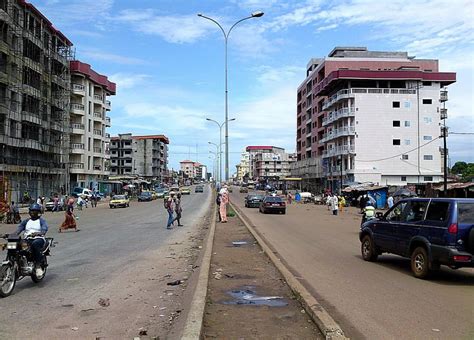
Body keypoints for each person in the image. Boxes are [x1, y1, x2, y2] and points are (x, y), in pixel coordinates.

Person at [14, 203, 48, 277]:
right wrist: (13, 234)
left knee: (35, 244)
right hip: (27, 239)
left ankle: (38, 266)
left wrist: (38, 233)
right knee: (17, 246)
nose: (32, 212)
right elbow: (19, 229)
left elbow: (44, 229)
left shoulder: (41, 221)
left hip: (39, 239)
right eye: (31, 210)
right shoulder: (26, 221)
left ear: (38, 212)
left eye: (35, 211)